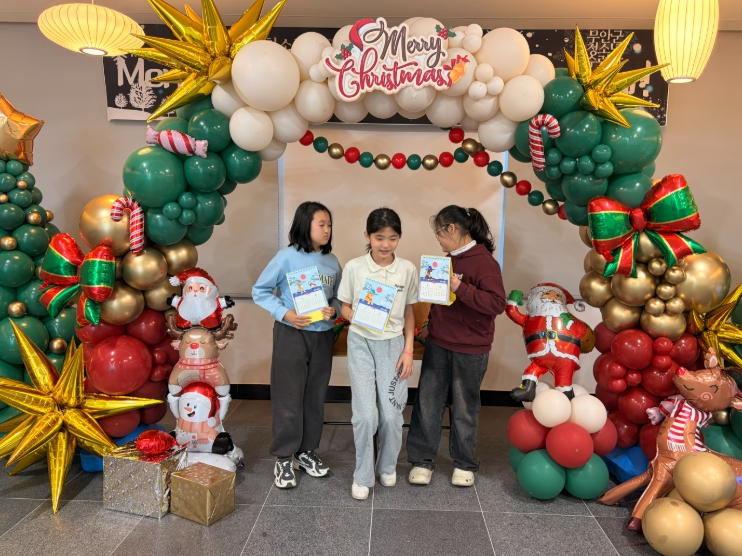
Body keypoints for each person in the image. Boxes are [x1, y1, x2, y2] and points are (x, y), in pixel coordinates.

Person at [406, 205, 506, 487]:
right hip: (438, 343)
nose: (438, 240)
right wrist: (430, 322)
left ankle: (464, 463)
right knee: (427, 402)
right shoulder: (447, 261)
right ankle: (422, 459)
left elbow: (496, 304)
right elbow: (441, 302)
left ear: (452, 229)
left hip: (471, 348)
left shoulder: (484, 263)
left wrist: (458, 287)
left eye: (439, 233)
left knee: (464, 407)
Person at [252, 201, 342, 489]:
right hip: (292, 334)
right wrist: (286, 314)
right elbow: (260, 291)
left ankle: (306, 451)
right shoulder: (286, 257)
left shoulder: (332, 261)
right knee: (289, 397)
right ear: (305, 225)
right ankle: (283, 457)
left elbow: (338, 298)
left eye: (329, 224)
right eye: (321, 224)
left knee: (315, 397)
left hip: (323, 336)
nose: (327, 230)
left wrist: (334, 309)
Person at [338, 208, 418, 500]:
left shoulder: (407, 269)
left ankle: (387, 465)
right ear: (367, 236)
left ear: (399, 238)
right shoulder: (354, 267)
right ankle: (362, 475)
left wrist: (408, 350)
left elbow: (409, 312)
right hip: (361, 342)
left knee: (392, 414)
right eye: (379, 237)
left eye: (392, 238)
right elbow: (344, 306)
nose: (386, 244)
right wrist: (356, 315)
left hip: (394, 345)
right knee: (365, 415)